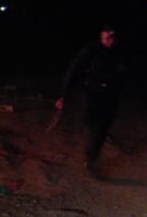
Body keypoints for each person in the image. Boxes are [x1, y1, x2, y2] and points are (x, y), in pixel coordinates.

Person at [55, 25, 128, 177]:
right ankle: (94, 141)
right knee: (91, 123)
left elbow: (123, 72)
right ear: (101, 37)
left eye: (113, 38)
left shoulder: (118, 52)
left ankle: (91, 160)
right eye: (108, 38)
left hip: (110, 95)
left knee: (102, 127)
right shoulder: (91, 51)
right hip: (92, 93)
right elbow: (74, 71)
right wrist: (64, 95)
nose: (111, 41)